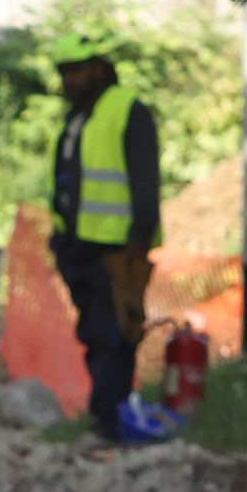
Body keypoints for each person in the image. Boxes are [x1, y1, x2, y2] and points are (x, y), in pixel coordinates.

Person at [45, 32, 160, 443]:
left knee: (114, 335)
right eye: (65, 72)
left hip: (116, 250)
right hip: (79, 248)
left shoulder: (127, 110)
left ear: (98, 67)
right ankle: (108, 417)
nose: (70, 79)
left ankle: (109, 422)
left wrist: (137, 243)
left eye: (77, 70)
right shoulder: (76, 118)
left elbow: (145, 181)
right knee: (95, 335)